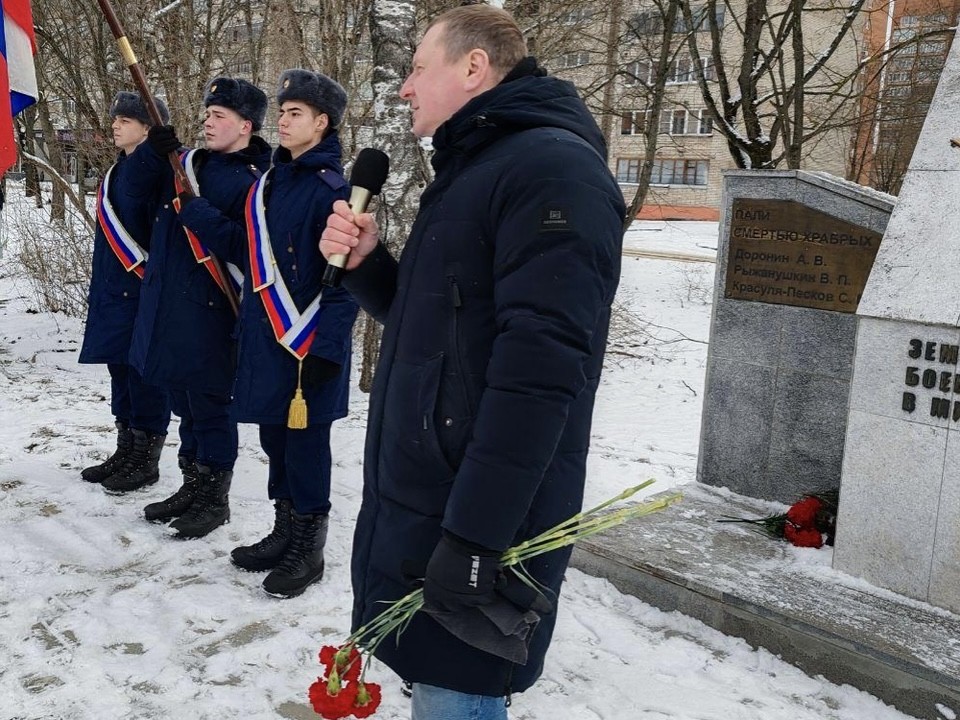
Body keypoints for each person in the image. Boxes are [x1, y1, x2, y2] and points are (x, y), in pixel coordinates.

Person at [320, 5, 625, 718]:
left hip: (478, 518)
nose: (404, 88)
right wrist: (369, 266)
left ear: (474, 68)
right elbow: (446, 331)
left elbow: (541, 374)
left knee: (459, 693)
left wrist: (478, 538)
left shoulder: (553, 173)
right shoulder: (475, 168)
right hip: (432, 500)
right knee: (437, 684)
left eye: (417, 68)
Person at [178, 69, 358, 598]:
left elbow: (345, 281)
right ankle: (285, 531)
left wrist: (326, 349)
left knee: (305, 447)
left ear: (322, 123)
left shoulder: (336, 192)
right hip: (267, 340)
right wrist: (201, 217)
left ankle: (310, 547)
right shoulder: (270, 185)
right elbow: (246, 250)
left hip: (308, 347)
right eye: (280, 112)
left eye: (295, 113)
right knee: (275, 440)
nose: (282, 120)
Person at [127, 78, 272, 538]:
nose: (208, 123)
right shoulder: (182, 163)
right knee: (182, 400)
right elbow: (129, 191)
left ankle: (214, 496)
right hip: (172, 305)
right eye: (207, 115)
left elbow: (249, 249)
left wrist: (199, 214)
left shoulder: (256, 182)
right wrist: (152, 150)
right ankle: (192, 483)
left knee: (211, 406)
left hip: (213, 309)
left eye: (220, 116)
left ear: (246, 125)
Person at [79, 91, 172, 492]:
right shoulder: (119, 168)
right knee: (120, 369)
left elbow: (144, 182)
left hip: (141, 290)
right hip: (114, 289)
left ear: (147, 129)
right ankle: (126, 445)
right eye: (115, 118)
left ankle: (145, 457)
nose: (115, 124)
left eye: (125, 120)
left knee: (144, 374)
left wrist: (156, 149)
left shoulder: (152, 168)